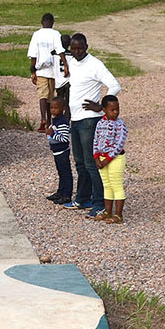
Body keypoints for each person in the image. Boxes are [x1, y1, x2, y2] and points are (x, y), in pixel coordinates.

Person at [62, 33, 121, 220]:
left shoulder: (95, 64)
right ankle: (82, 198)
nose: (76, 51)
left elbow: (114, 85)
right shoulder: (72, 61)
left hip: (89, 120)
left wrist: (102, 106)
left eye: (80, 48)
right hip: (76, 119)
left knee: (91, 163)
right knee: (79, 162)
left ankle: (99, 204)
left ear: (87, 46)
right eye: (73, 48)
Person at [27, 13, 70, 133]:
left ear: (41, 23)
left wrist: (33, 71)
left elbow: (33, 54)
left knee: (42, 95)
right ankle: (50, 121)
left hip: (40, 70)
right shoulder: (56, 34)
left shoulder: (36, 34)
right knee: (50, 97)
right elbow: (60, 50)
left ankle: (43, 119)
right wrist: (65, 64)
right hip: (52, 70)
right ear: (52, 23)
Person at [93, 94, 127, 224]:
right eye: (112, 110)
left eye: (117, 109)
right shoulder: (100, 123)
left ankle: (118, 215)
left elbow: (119, 144)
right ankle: (107, 212)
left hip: (115, 159)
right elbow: (96, 140)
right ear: (104, 110)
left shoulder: (120, 125)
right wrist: (96, 157)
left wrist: (107, 160)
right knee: (107, 185)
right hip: (101, 159)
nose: (116, 112)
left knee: (116, 185)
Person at [45, 96, 73, 205]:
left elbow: (64, 138)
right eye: (51, 108)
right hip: (56, 151)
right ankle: (60, 192)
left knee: (65, 173)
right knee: (61, 172)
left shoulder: (62, 122)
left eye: (56, 108)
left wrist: (52, 134)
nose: (53, 110)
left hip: (62, 152)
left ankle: (67, 195)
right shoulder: (55, 120)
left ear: (63, 108)